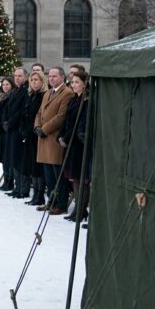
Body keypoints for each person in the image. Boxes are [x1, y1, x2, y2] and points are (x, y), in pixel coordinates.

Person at [34, 67, 75, 215]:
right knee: (49, 176)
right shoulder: (47, 93)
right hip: (44, 140)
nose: (51, 78)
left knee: (58, 176)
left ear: (62, 78)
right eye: (50, 76)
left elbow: (61, 116)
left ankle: (61, 204)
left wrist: (44, 129)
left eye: (54, 76)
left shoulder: (67, 93)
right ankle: (51, 202)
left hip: (54, 139)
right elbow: (39, 112)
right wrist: (37, 126)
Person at [59, 70, 90, 222]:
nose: (74, 85)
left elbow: (80, 123)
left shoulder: (87, 100)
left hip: (79, 143)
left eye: (77, 82)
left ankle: (81, 210)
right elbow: (67, 120)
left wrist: (67, 137)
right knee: (75, 179)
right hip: (70, 143)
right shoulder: (73, 100)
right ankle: (78, 209)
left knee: (82, 178)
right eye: (73, 82)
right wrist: (61, 135)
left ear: (84, 84)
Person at [22, 71, 47, 206]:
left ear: (42, 82)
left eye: (36, 80)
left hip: (37, 135)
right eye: (32, 80)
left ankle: (40, 195)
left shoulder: (43, 96)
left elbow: (38, 116)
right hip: (29, 135)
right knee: (32, 165)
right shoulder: (31, 95)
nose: (34, 82)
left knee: (38, 167)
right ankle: (36, 194)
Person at [4, 67, 30, 198]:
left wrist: (11, 122)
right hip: (11, 129)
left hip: (19, 129)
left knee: (19, 159)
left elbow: (21, 111)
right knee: (13, 158)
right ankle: (17, 186)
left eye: (20, 76)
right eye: (15, 76)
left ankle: (23, 189)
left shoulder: (26, 91)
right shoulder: (15, 91)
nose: (17, 78)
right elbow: (8, 108)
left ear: (26, 77)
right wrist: (6, 121)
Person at [0, 76, 15, 191]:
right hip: (1, 131)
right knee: (3, 157)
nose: (5, 87)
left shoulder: (12, 96)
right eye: (3, 85)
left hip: (7, 130)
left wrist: (5, 124)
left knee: (8, 158)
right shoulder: (0, 98)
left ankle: (10, 181)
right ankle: (6, 180)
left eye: (7, 84)